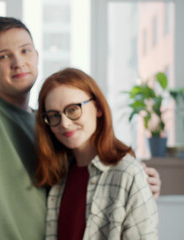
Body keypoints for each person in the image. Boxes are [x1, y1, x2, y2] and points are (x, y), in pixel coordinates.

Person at [0, 16, 161, 240]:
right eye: (4, 56)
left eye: (25, 51)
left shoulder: (51, 125)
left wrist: (137, 183)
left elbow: (88, 171)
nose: (18, 62)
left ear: (37, 55)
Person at [36, 68, 158, 239]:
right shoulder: (57, 176)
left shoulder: (129, 174)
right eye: (54, 115)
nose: (64, 123)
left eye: (73, 110)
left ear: (98, 108)